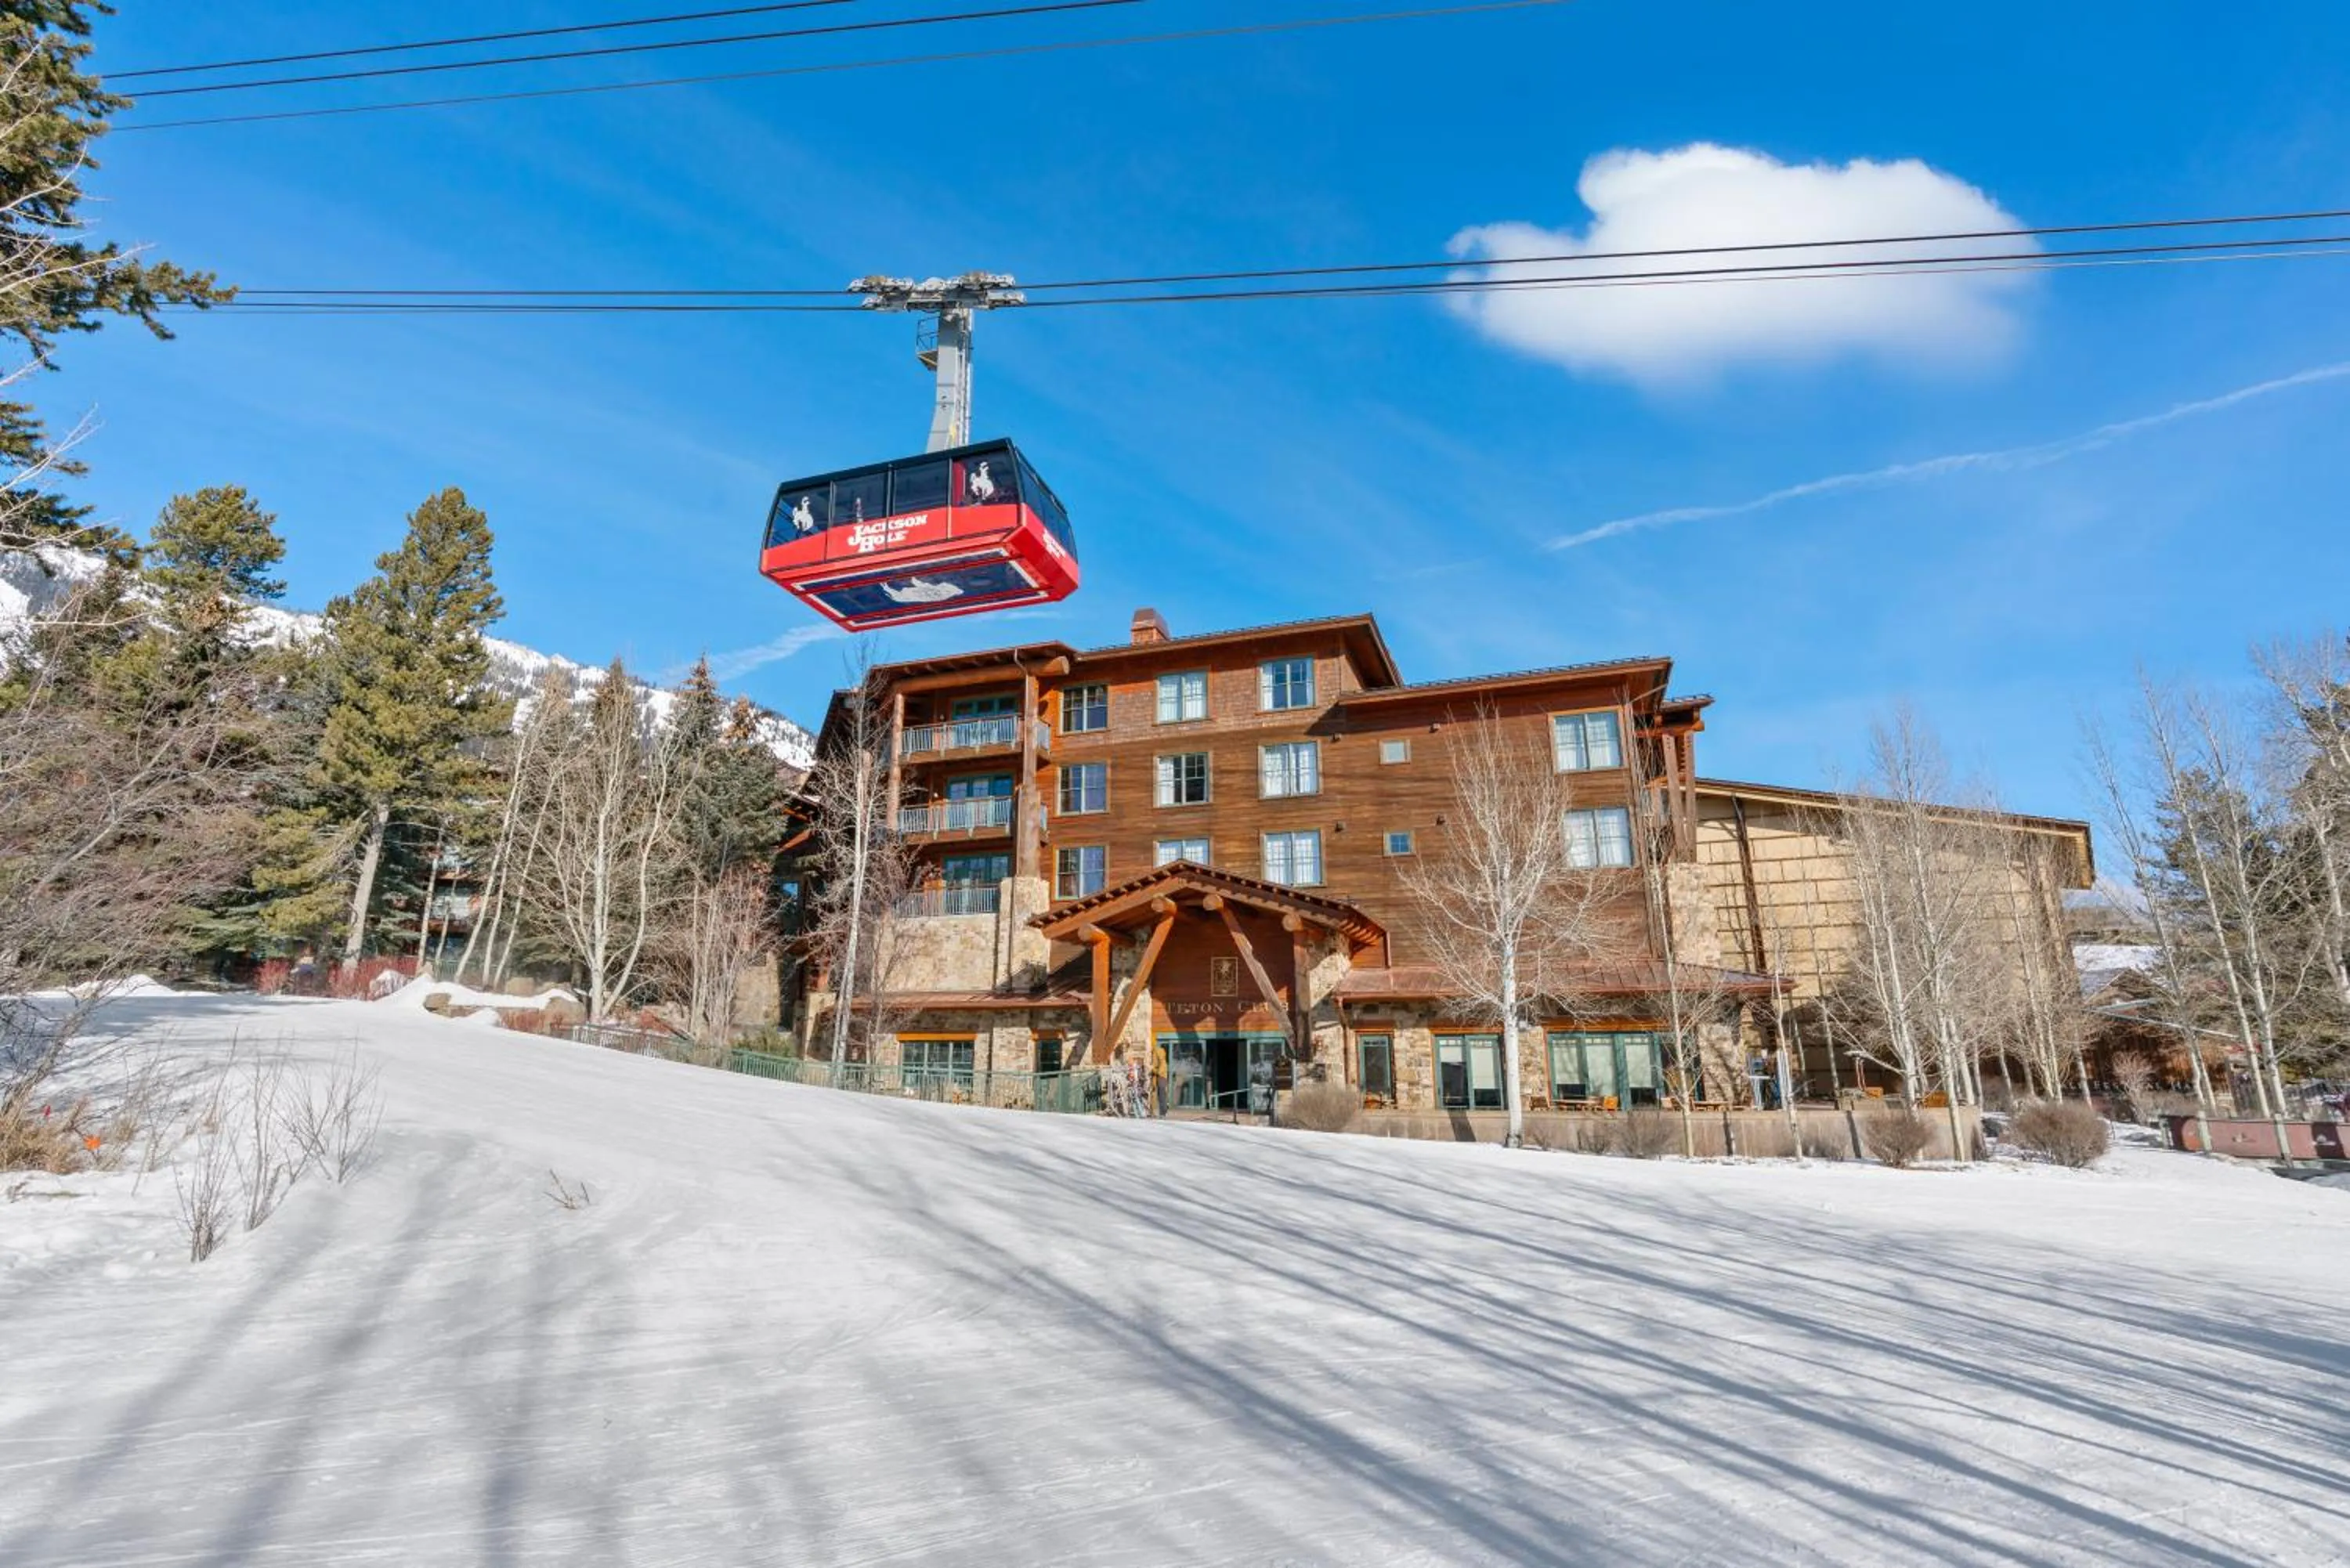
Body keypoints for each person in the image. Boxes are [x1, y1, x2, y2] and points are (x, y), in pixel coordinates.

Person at [1151, 1039, 1170, 1117]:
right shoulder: (1158, 1054)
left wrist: (1152, 1069)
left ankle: (1163, 1112)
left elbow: (1159, 1071)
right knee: (1160, 1095)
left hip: (1161, 1078)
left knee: (1161, 1095)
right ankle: (1162, 1111)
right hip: (1160, 1078)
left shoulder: (1162, 1061)